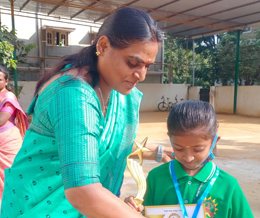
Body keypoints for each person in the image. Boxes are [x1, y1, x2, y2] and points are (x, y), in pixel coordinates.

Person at [1, 7, 173, 218]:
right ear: (102, 45)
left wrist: (156, 151)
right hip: (40, 207)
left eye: (147, 65)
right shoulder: (74, 94)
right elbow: (84, 191)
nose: (141, 75)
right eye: (133, 63)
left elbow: (100, 142)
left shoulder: (116, 92)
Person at [125, 100, 254, 218]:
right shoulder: (156, 178)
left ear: (214, 142)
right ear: (170, 139)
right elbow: (143, 213)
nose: (188, 157)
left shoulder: (228, 186)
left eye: (198, 149)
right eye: (179, 148)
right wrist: (132, 209)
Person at [0, 65, 28, 204]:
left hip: (8, 143)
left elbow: (1, 120)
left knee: (9, 175)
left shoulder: (9, 97)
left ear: (6, 81)